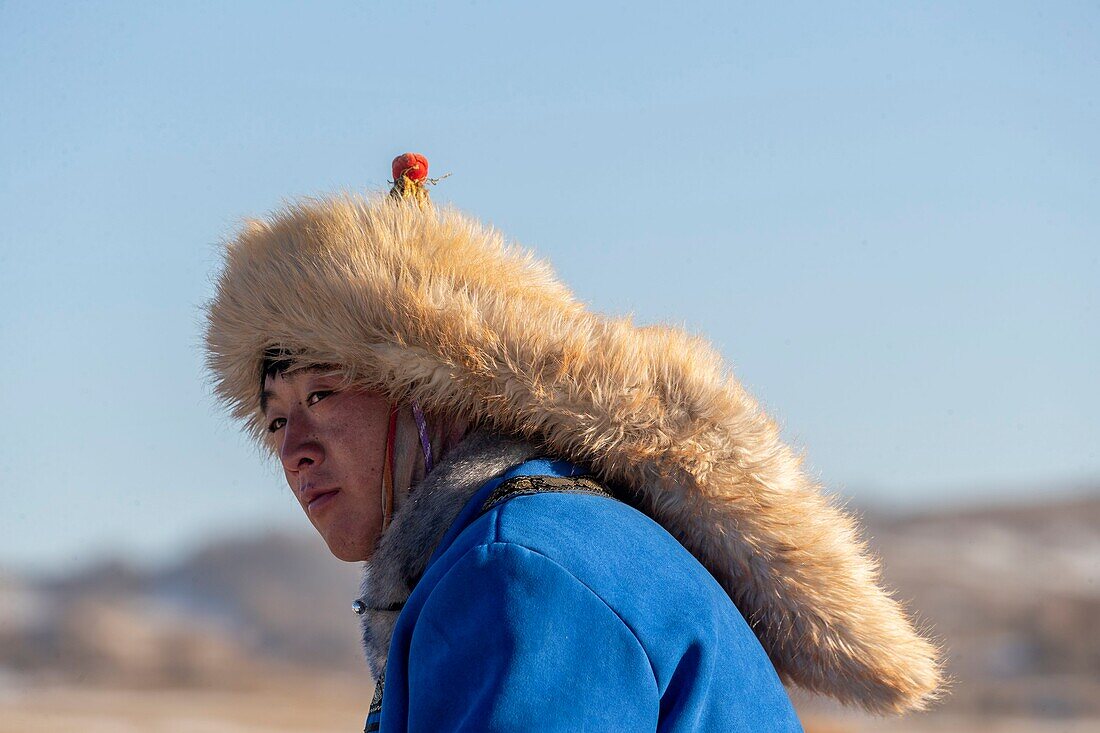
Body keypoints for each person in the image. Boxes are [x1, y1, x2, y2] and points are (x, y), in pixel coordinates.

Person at [203, 154, 942, 731]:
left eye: (322, 395)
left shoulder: (518, 572)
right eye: (273, 420)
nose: (294, 447)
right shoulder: (564, 536)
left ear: (427, 383)